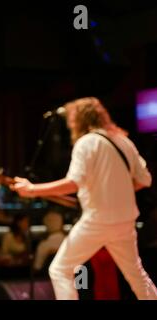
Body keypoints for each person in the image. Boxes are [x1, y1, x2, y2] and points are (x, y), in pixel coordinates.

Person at [12, 97, 157, 300]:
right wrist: (115, 190)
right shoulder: (123, 141)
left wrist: (33, 189)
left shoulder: (87, 142)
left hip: (98, 220)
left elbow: (73, 183)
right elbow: (145, 180)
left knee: (60, 269)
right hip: (125, 220)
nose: (70, 124)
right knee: (137, 276)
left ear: (79, 120)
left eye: (71, 119)